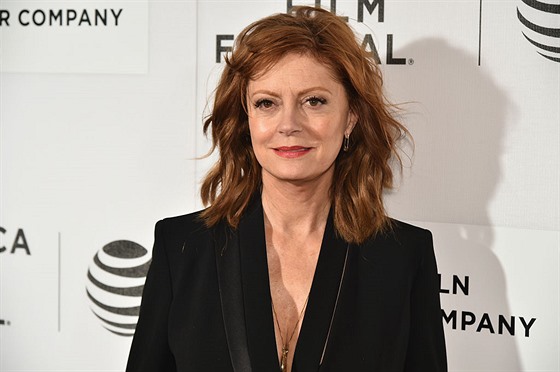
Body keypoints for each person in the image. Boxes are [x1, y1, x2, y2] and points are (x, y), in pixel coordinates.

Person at [126, 6, 447, 372]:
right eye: (267, 103)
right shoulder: (182, 248)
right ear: (246, 119)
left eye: (314, 101)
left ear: (351, 118)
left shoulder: (403, 257)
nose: (289, 124)